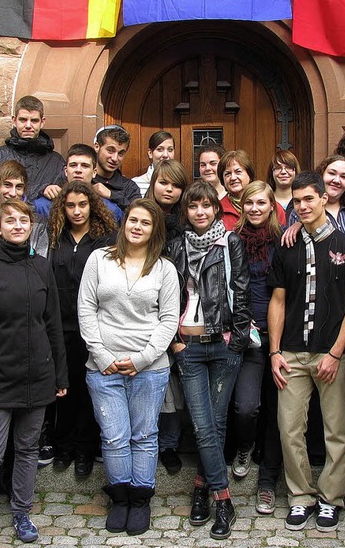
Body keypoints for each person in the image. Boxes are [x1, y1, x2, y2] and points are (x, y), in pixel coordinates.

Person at [268, 171, 345, 532]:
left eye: (309, 198)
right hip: (292, 354)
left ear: (325, 198)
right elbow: (277, 300)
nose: (303, 206)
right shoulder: (287, 244)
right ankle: (300, 496)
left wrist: (336, 353)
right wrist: (275, 351)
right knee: (289, 429)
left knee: (336, 430)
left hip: (331, 355)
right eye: (297, 201)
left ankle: (330, 498)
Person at [0, 201, 68, 548]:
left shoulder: (41, 267)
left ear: (31, 226)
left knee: (27, 450)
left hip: (37, 375)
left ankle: (21, 512)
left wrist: (60, 376)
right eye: (10, 220)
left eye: (24, 220)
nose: (18, 225)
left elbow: (52, 323)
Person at [78, 199, 179, 537]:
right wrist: (103, 356)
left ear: (155, 231)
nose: (137, 226)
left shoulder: (164, 269)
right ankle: (119, 498)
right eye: (133, 220)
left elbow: (168, 321)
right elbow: (86, 310)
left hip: (149, 368)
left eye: (145, 223)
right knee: (115, 435)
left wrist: (141, 359)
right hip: (103, 367)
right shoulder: (99, 260)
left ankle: (140, 499)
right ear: (124, 225)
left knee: (145, 434)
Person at [165, 181, 251, 540]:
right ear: (186, 212)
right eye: (193, 206)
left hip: (224, 343)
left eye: (206, 206)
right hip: (189, 344)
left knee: (214, 424)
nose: (200, 212)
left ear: (217, 209)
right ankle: (223, 498)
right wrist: (174, 341)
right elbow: (166, 296)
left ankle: (202, 489)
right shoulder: (176, 246)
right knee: (204, 425)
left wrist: (239, 340)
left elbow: (241, 289)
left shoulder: (230, 242)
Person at [47, 181, 117, 477]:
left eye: (82, 205)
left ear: (93, 206)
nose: (76, 211)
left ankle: (86, 449)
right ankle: (63, 446)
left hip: (93, 327)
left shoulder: (105, 239)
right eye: (70, 205)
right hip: (59, 326)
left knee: (90, 390)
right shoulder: (54, 237)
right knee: (64, 388)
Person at [232, 182, 283, 515]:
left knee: (279, 414)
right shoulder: (232, 242)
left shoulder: (284, 242)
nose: (254, 208)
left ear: (271, 206)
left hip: (280, 337)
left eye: (260, 203)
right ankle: (245, 447)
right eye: (249, 202)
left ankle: (267, 484)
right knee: (246, 407)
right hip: (247, 337)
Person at [145, 159, 189, 475]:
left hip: (181, 310)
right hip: (146, 310)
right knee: (150, 382)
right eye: (163, 182)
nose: (169, 189)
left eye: (175, 185)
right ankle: (147, 442)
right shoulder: (141, 218)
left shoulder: (188, 224)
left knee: (174, 387)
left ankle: (171, 444)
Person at [0, 96, 65, 203]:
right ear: (14, 120)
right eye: (23, 120)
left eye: (34, 120)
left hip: (42, 219)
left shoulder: (56, 162)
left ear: (42, 122)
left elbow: (61, 207)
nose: (28, 125)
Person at [33, 144, 123, 223]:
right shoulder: (42, 207)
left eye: (85, 166)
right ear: (65, 171)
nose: (78, 170)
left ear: (94, 172)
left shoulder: (110, 210)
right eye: (73, 165)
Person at [219, 150, 285, 231]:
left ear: (249, 175)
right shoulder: (218, 210)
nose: (233, 178)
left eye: (238, 172)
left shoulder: (273, 207)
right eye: (227, 174)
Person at [93, 125, 141, 210]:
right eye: (110, 150)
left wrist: (112, 195)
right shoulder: (82, 177)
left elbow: (139, 214)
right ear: (97, 147)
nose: (115, 158)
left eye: (121, 153)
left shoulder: (129, 187)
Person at [132, 131, 175, 196]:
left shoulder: (178, 183)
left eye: (170, 150)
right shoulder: (136, 184)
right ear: (150, 153)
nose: (166, 155)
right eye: (160, 149)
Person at [266, 150, 301, 221]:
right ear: (271, 172)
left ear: (295, 171)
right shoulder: (265, 199)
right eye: (278, 168)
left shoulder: (302, 200)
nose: (283, 172)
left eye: (288, 167)